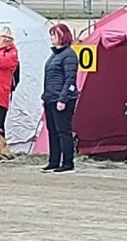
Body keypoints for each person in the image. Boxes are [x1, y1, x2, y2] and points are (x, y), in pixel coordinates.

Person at [41, 22, 78, 175]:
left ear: (62, 36)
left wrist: (63, 99)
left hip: (62, 99)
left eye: (54, 35)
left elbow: (70, 79)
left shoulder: (69, 55)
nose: (51, 38)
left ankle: (67, 162)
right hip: (50, 98)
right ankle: (54, 161)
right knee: (53, 131)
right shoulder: (54, 55)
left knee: (63, 131)